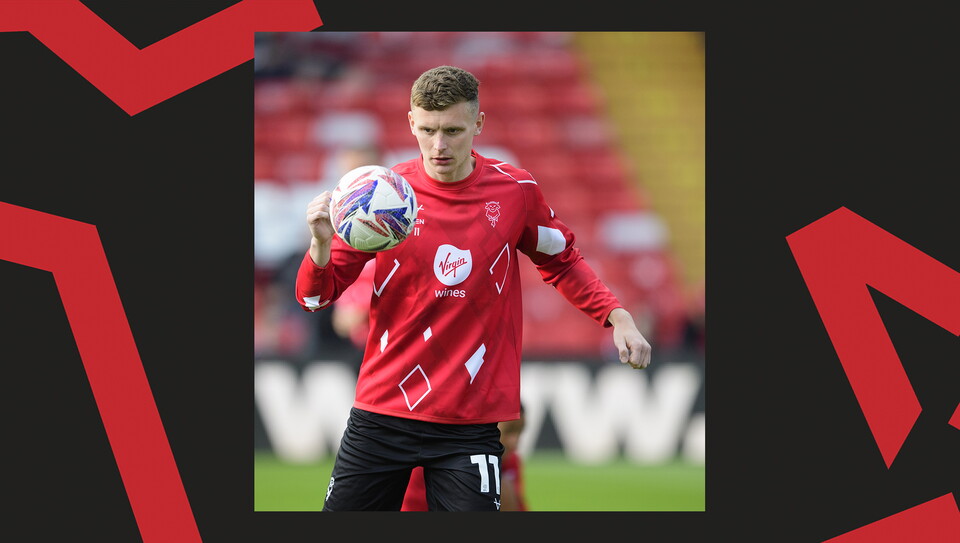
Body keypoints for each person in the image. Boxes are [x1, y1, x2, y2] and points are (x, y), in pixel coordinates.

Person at [296, 65, 651, 512]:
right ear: (410, 122)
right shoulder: (382, 198)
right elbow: (314, 299)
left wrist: (616, 315)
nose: (438, 145)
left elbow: (562, 261)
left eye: (452, 130)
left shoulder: (515, 192)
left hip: (470, 422)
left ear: (478, 125)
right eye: (427, 130)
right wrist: (320, 243)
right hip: (382, 414)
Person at [401, 405, 528, 511]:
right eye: (509, 431)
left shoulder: (512, 461)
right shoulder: (425, 463)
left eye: (520, 432)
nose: (514, 441)